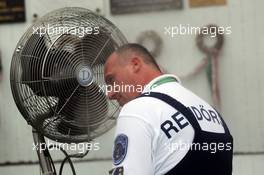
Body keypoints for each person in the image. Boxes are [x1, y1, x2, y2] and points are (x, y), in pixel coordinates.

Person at [104, 43, 233, 175]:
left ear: (135, 64)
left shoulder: (137, 109)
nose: (110, 94)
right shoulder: (211, 112)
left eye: (111, 80)